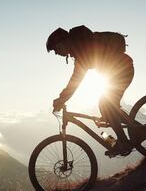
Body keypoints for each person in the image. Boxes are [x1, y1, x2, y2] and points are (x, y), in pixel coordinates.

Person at [46, 25, 134, 157]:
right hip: (120, 70)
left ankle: (123, 141)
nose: (57, 53)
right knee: (107, 108)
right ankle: (136, 130)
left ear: (63, 42)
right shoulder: (80, 49)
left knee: (106, 104)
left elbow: (75, 81)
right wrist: (62, 98)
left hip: (121, 70)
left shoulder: (82, 49)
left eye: (56, 49)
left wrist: (61, 99)